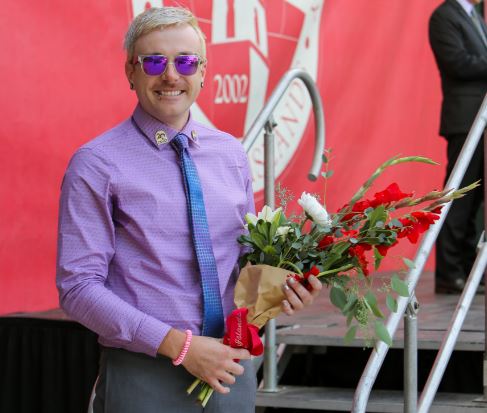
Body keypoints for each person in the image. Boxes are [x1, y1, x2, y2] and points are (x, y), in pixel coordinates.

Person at [56, 6, 322, 413]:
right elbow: (78, 288)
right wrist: (182, 348)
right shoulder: (97, 163)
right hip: (145, 371)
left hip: (232, 370)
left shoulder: (231, 154)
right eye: (154, 61)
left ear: (203, 72)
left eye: (185, 61)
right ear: (131, 71)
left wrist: (284, 288)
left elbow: (242, 263)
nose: (171, 75)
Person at [429, 0, 487, 294]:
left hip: (482, 120)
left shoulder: (474, 13)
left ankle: (470, 268)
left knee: (477, 202)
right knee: (460, 199)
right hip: (465, 120)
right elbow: (458, 63)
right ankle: (449, 273)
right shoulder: (443, 16)